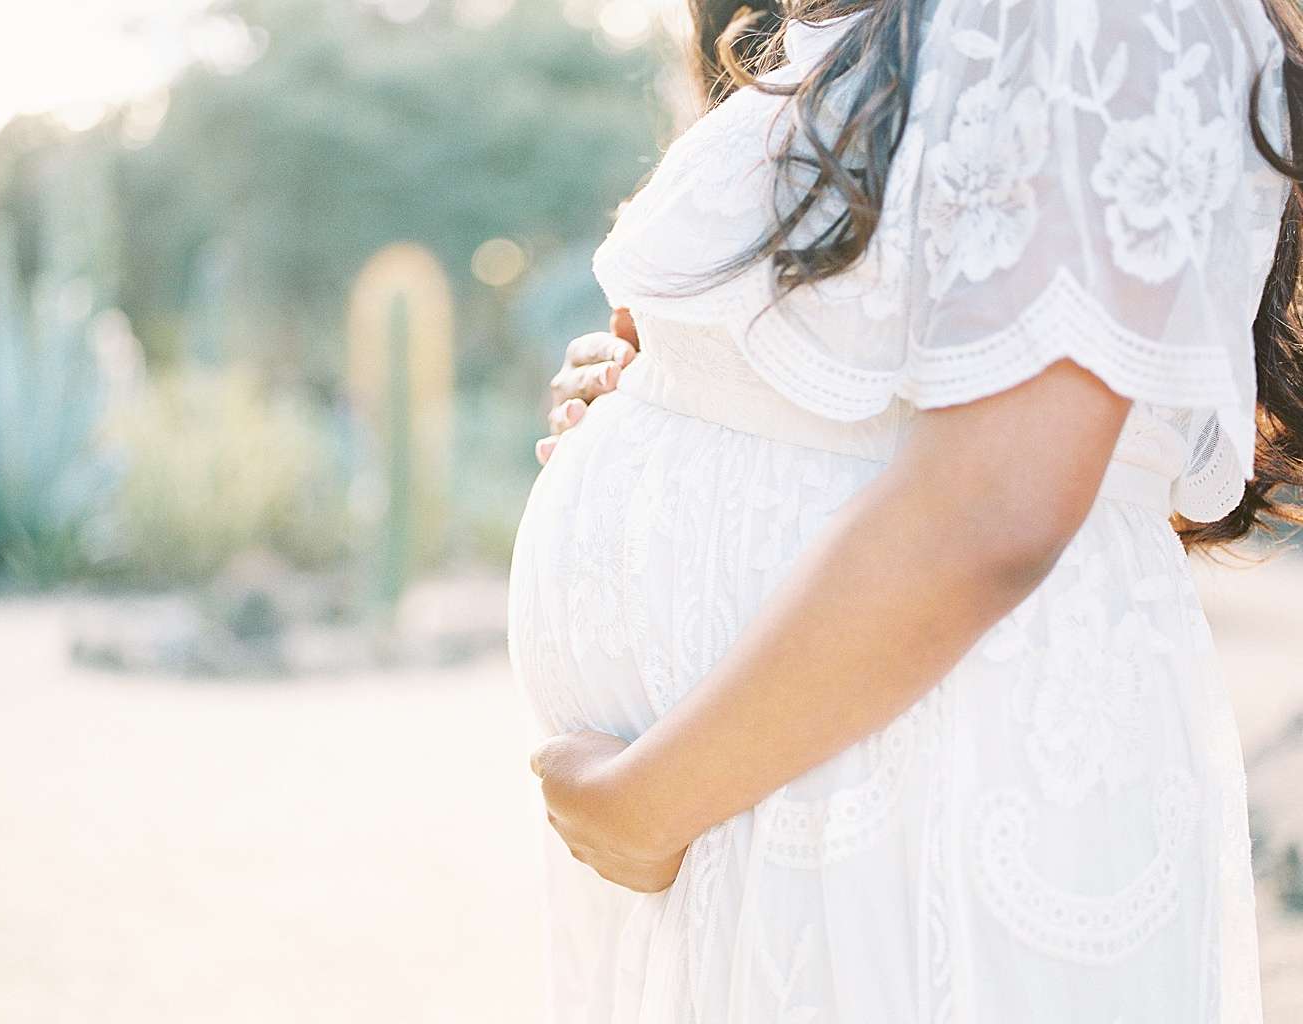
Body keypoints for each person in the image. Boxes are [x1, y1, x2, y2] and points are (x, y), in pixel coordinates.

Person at [508, 0, 1303, 1020]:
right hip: (777, 800)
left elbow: (996, 506)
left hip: (882, 801)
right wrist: (672, 383)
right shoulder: (885, 27)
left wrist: (645, 806)